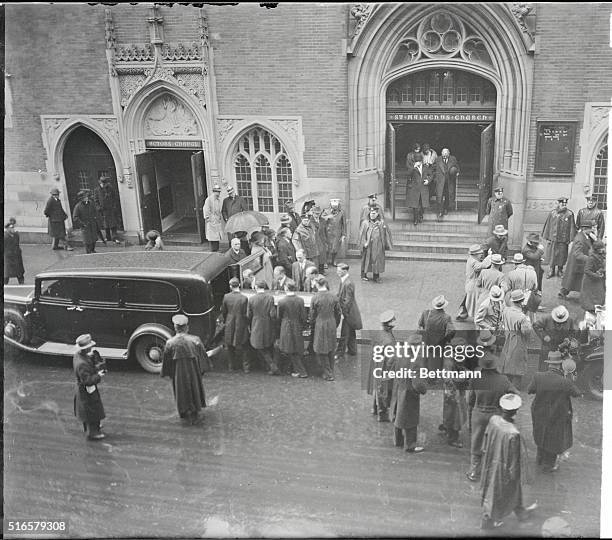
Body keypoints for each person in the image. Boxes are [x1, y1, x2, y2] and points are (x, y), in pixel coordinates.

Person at [479, 393, 537, 529]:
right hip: (503, 469)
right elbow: (514, 459)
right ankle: (488, 520)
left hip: (491, 463)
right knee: (500, 492)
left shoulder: (494, 420)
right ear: (515, 412)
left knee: (497, 490)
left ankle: (520, 512)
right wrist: (514, 475)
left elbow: (486, 440)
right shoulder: (513, 433)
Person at [466, 332, 517, 482]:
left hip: (479, 413)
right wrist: (509, 411)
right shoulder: (503, 380)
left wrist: (471, 415)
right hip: (496, 415)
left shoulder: (476, 378)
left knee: (476, 443)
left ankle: (474, 471)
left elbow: (470, 399)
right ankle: (493, 472)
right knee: (494, 444)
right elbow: (515, 394)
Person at [527, 350, 582, 473]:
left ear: (549, 364)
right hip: (557, 415)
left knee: (540, 433)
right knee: (553, 438)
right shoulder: (565, 381)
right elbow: (577, 394)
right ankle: (548, 465)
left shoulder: (538, 376)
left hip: (539, 413)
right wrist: (568, 376)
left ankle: (539, 459)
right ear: (559, 365)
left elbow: (529, 390)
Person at [161, 314, 209, 425]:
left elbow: (166, 361)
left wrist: (167, 373)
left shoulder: (170, 343)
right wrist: (203, 370)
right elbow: (203, 356)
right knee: (195, 388)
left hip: (178, 371)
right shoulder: (195, 340)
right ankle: (196, 411)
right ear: (187, 327)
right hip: (193, 370)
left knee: (180, 390)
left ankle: (183, 411)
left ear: (175, 327)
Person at [390, 333, 428, 453]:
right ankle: (410, 445)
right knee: (410, 420)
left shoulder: (400, 352)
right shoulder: (416, 361)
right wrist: (423, 390)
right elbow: (418, 384)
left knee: (398, 415)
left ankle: (397, 441)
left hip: (399, 387)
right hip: (409, 393)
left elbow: (391, 364)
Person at [73, 333, 107, 440]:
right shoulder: (82, 364)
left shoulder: (78, 356)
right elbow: (87, 381)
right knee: (92, 411)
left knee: (88, 411)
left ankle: (91, 427)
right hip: (86, 391)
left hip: (83, 391)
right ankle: (93, 432)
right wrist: (98, 375)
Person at [309, 276, 341, 381]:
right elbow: (338, 313)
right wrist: (335, 323)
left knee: (321, 349)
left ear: (317, 285)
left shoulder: (315, 297)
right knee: (331, 347)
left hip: (321, 323)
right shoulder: (333, 296)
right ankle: (330, 369)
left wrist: (312, 323)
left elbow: (312, 315)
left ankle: (328, 373)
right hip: (331, 323)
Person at [499, 290, 533, 389]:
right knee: (518, 364)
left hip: (508, 336)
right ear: (522, 301)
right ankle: (515, 389)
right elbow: (526, 332)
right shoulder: (522, 317)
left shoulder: (506, 310)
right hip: (518, 339)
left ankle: (506, 386)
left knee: (507, 360)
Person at [368, 310, 397, 422]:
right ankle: (382, 413)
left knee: (377, 387)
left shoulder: (379, 334)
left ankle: (375, 408)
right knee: (384, 390)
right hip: (385, 367)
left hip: (377, 364)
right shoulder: (389, 340)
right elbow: (391, 359)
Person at [440, 338, 469, 448]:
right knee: (456, 414)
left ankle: (447, 428)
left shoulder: (453, 357)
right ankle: (453, 437)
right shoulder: (449, 361)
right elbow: (448, 378)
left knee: (449, 411)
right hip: (453, 390)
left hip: (453, 390)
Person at [247, 280, 279, 375]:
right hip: (267, 323)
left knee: (259, 345)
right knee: (267, 344)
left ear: (256, 287)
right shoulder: (270, 298)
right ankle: (270, 366)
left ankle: (272, 366)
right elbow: (273, 314)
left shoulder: (252, 299)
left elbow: (249, 314)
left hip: (256, 323)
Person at [277, 280, 309, 378]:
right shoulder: (300, 300)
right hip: (297, 325)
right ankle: (293, 368)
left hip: (286, 325)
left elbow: (279, 316)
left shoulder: (282, 301)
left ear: (286, 288)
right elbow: (303, 316)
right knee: (295, 346)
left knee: (288, 347)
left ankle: (301, 371)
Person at [559, 220, 596, 299]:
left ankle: (563, 292)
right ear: (585, 229)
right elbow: (577, 254)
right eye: (591, 228)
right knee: (572, 280)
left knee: (573, 280)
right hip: (577, 264)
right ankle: (563, 293)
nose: (592, 230)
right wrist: (589, 258)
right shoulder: (580, 239)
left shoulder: (585, 236)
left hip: (579, 264)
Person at [417, 295, 455, 372]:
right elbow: (452, 331)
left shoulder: (426, 313)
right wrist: (447, 339)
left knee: (424, 360)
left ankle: (424, 372)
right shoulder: (446, 317)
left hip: (426, 343)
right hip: (438, 345)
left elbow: (420, 325)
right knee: (436, 363)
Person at [533, 305, 576, 372]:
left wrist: (568, 338)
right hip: (547, 346)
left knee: (561, 367)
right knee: (543, 366)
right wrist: (544, 336)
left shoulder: (570, 320)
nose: (559, 323)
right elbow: (535, 326)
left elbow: (572, 332)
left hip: (562, 347)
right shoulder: (546, 318)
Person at [220, 278, 250, 373]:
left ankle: (231, 366)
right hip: (241, 322)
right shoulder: (244, 298)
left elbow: (224, 311)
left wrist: (226, 319)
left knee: (229, 345)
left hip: (230, 321)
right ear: (239, 285)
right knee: (244, 345)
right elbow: (246, 313)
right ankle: (246, 367)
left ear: (230, 286)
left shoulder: (226, 297)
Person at [542, 196, 576, 278]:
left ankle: (560, 270)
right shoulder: (553, 213)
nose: (564, 205)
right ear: (559, 203)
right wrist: (547, 237)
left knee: (562, 255)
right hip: (554, 238)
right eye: (562, 203)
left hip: (563, 239)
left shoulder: (569, 214)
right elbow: (548, 225)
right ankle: (551, 270)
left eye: (565, 203)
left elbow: (572, 226)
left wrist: (571, 238)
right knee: (552, 255)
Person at [335, 263, 363, 359]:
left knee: (344, 333)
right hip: (350, 312)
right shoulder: (345, 281)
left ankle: (339, 352)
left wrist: (343, 313)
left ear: (345, 271)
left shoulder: (348, 283)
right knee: (350, 332)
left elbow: (348, 300)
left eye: (339, 271)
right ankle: (352, 350)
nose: (337, 272)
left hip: (349, 313)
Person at [358, 207, 393, 283]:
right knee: (366, 259)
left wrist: (386, 244)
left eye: (374, 213)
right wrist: (364, 243)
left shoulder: (381, 222)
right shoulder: (365, 222)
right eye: (371, 213)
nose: (372, 215)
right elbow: (361, 234)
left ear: (377, 214)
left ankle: (376, 276)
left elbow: (387, 233)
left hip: (378, 245)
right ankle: (364, 274)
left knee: (377, 260)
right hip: (368, 245)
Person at [457, 244, 492, 320]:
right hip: (474, 285)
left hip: (473, 284)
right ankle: (476, 316)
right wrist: (489, 257)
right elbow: (481, 266)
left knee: (469, 300)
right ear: (475, 254)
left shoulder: (473, 259)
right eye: (480, 254)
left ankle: (462, 314)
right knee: (476, 302)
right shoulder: (473, 261)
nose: (482, 255)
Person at [93, 175, 122, 244]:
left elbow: (115, 197)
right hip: (103, 210)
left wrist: (114, 206)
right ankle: (108, 237)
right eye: (102, 183)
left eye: (104, 183)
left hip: (111, 209)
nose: (103, 184)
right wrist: (99, 208)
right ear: (99, 182)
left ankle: (115, 237)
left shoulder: (110, 188)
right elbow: (96, 200)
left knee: (113, 224)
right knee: (106, 224)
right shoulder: (97, 190)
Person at [433, 147, 460, 217]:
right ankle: (440, 211)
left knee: (448, 195)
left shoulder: (453, 159)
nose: (444, 155)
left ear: (449, 153)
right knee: (440, 196)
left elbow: (457, 167)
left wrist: (457, 172)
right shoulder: (438, 159)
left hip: (449, 181)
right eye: (443, 153)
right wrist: (435, 178)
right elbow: (433, 169)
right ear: (441, 153)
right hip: (440, 181)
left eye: (446, 153)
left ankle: (446, 208)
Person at [580, 240, 606, 314]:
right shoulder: (591, 258)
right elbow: (587, 270)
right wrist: (597, 275)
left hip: (598, 279)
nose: (604, 249)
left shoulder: (601, 254)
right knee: (591, 296)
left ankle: (596, 307)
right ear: (597, 249)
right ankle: (591, 309)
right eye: (602, 248)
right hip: (590, 280)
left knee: (599, 294)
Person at [44, 187, 73, 251]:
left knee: (56, 234)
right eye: (56, 194)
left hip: (59, 220)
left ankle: (54, 246)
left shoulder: (57, 200)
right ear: (53, 195)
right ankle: (67, 246)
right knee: (61, 234)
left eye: (58, 194)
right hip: (54, 221)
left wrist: (64, 215)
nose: (58, 196)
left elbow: (60, 209)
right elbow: (46, 211)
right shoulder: (50, 201)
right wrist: (52, 217)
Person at [72, 189, 99, 254]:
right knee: (87, 239)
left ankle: (93, 249)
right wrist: (82, 224)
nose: (87, 198)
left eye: (87, 197)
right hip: (85, 225)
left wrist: (95, 218)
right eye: (85, 197)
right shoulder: (78, 206)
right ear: (81, 199)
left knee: (94, 238)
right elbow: (75, 217)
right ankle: (88, 251)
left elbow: (95, 211)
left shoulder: (91, 203)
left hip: (92, 223)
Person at [405, 152, 429, 225]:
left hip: (423, 188)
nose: (417, 162)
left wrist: (428, 180)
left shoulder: (425, 167)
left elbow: (431, 174)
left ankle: (420, 216)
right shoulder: (412, 167)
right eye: (416, 161)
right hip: (414, 188)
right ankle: (415, 219)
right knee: (415, 205)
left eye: (419, 161)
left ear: (421, 161)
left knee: (422, 204)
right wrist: (413, 167)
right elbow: (408, 174)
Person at [321, 198, 346, 267]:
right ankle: (325, 262)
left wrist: (343, 234)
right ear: (331, 205)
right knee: (327, 248)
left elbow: (344, 224)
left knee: (336, 247)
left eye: (336, 205)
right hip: (328, 232)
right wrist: (327, 217)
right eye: (333, 205)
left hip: (337, 233)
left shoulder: (341, 212)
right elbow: (321, 219)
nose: (335, 207)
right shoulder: (326, 211)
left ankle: (334, 260)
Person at [203, 184, 225, 252]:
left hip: (217, 220)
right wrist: (208, 218)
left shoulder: (218, 200)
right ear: (213, 192)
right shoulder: (209, 200)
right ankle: (213, 250)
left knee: (217, 236)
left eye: (218, 192)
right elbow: (206, 209)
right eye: (216, 191)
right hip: (211, 220)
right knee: (212, 237)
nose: (218, 193)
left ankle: (217, 249)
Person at [4, 218, 25, 284]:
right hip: (8, 256)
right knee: (7, 272)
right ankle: (5, 282)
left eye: (13, 227)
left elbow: (17, 244)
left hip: (16, 255)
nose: (13, 229)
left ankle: (21, 281)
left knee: (19, 271)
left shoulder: (16, 235)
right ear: (7, 229)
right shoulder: (4, 236)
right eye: (11, 228)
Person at [311, 205, 328, 273]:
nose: (317, 215)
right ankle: (316, 271)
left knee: (322, 256)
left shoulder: (323, 220)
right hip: (314, 241)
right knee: (316, 257)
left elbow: (325, 230)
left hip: (322, 240)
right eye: (316, 213)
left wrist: (326, 240)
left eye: (318, 213)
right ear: (312, 213)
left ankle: (322, 270)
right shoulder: (310, 221)